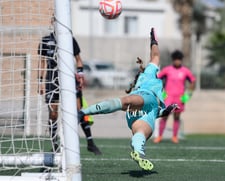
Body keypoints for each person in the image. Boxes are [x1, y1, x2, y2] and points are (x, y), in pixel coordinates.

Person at [78, 28, 177, 171]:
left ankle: (138, 152)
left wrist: (165, 111)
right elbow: (155, 56)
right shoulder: (149, 74)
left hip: (147, 111)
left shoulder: (144, 78)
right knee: (131, 109)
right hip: (148, 100)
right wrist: (153, 41)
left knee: (134, 122)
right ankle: (138, 151)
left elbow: (155, 56)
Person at [37, 16, 101, 155]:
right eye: (54, 22)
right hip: (52, 81)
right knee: (53, 114)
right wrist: (40, 82)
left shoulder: (69, 39)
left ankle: (90, 142)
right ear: (52, 23)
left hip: (69, 80)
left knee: (79, 111)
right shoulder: (45, 40)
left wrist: (81, 75)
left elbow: (78, 60)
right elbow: (42, 62)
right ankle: (55, 145)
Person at [153, 50, 196, 144]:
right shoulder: (167, 70)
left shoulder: (185, 71)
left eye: (179, 60)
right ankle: (159, 136)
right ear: (173, 60)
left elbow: (193, 81)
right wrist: (161, 92)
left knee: (177, 117)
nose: (177, 61)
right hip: (168, 97)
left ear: (181, 60)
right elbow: (157, 79)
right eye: (175, 59)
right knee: (164, 116)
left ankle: (175, 137)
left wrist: (188, 95)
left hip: (180, 98)